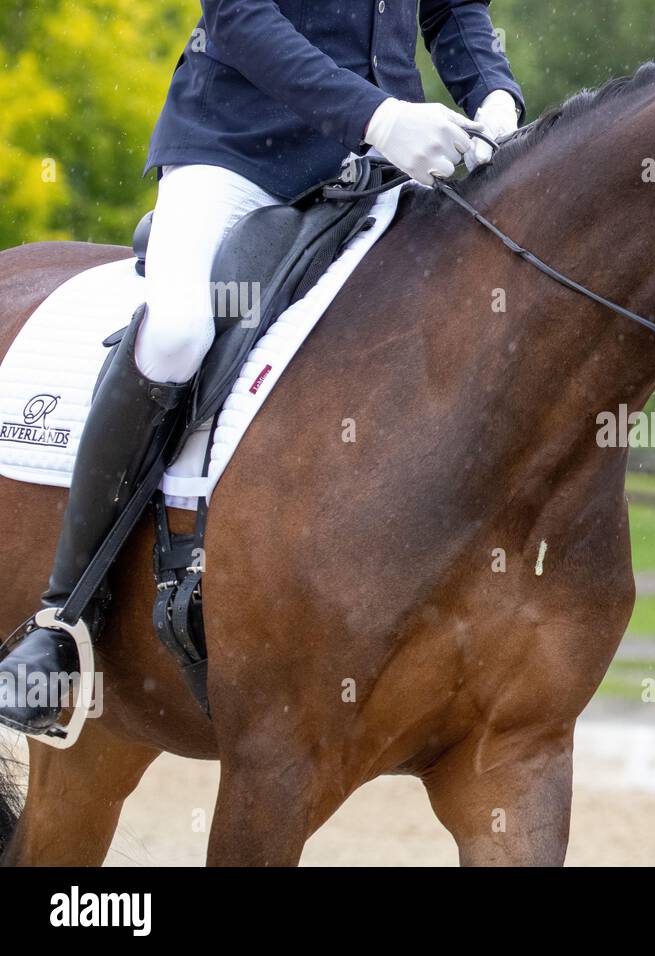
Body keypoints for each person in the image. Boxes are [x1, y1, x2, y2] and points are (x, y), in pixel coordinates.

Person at [0, 0, 524, 736]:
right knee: (179, 332)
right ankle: (60, 621)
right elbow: (241, 18)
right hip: (238, 152)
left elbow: (453, 12)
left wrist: (494, 94)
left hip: (382, 167)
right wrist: (381, 117)